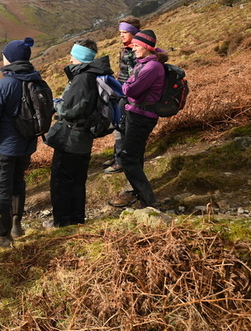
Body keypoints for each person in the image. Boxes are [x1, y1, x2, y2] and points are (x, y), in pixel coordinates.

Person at [0, 38, 45, 247]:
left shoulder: (4, 84)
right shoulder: (37, 81)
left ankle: (2, 235)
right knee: (18, 183)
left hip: (5, 148)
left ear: (11, 59)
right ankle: (17, 225)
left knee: (1, 189)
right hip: (27, 145)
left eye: (5, 55)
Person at [44, 39, 114, 227]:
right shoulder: (93, 75)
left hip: (71, 138)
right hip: (83, 138)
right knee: (77, 181)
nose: (70, 58)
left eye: (73, 54)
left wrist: (55, 104)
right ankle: (76, 219)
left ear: (80, 56)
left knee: (61, 181)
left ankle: (62, 222)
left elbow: (69, 110)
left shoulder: (82, 78)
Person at [108, 30, 166, 208]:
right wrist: (127, 86)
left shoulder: (151, 67)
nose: (133, 49)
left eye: (136, 46)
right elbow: (130, 86)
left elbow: (131, 90)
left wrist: (124, 87)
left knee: (128, 158)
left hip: (142, 117)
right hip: (135, 113)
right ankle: (138, 195)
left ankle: (148, 200)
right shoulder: (144, 63)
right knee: (135, 155)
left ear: (147, 47)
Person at [103, 16, 141, 173]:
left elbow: (135, 74)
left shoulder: (134, 50)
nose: (121, 35)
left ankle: (120, 161)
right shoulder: (127, 47)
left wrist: (124, 89)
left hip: (127, 93)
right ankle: (117, 155)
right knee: (119, 123)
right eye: (120, 32)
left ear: (133, 32)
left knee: (120, 125)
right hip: (122, 91)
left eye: (124, 32)